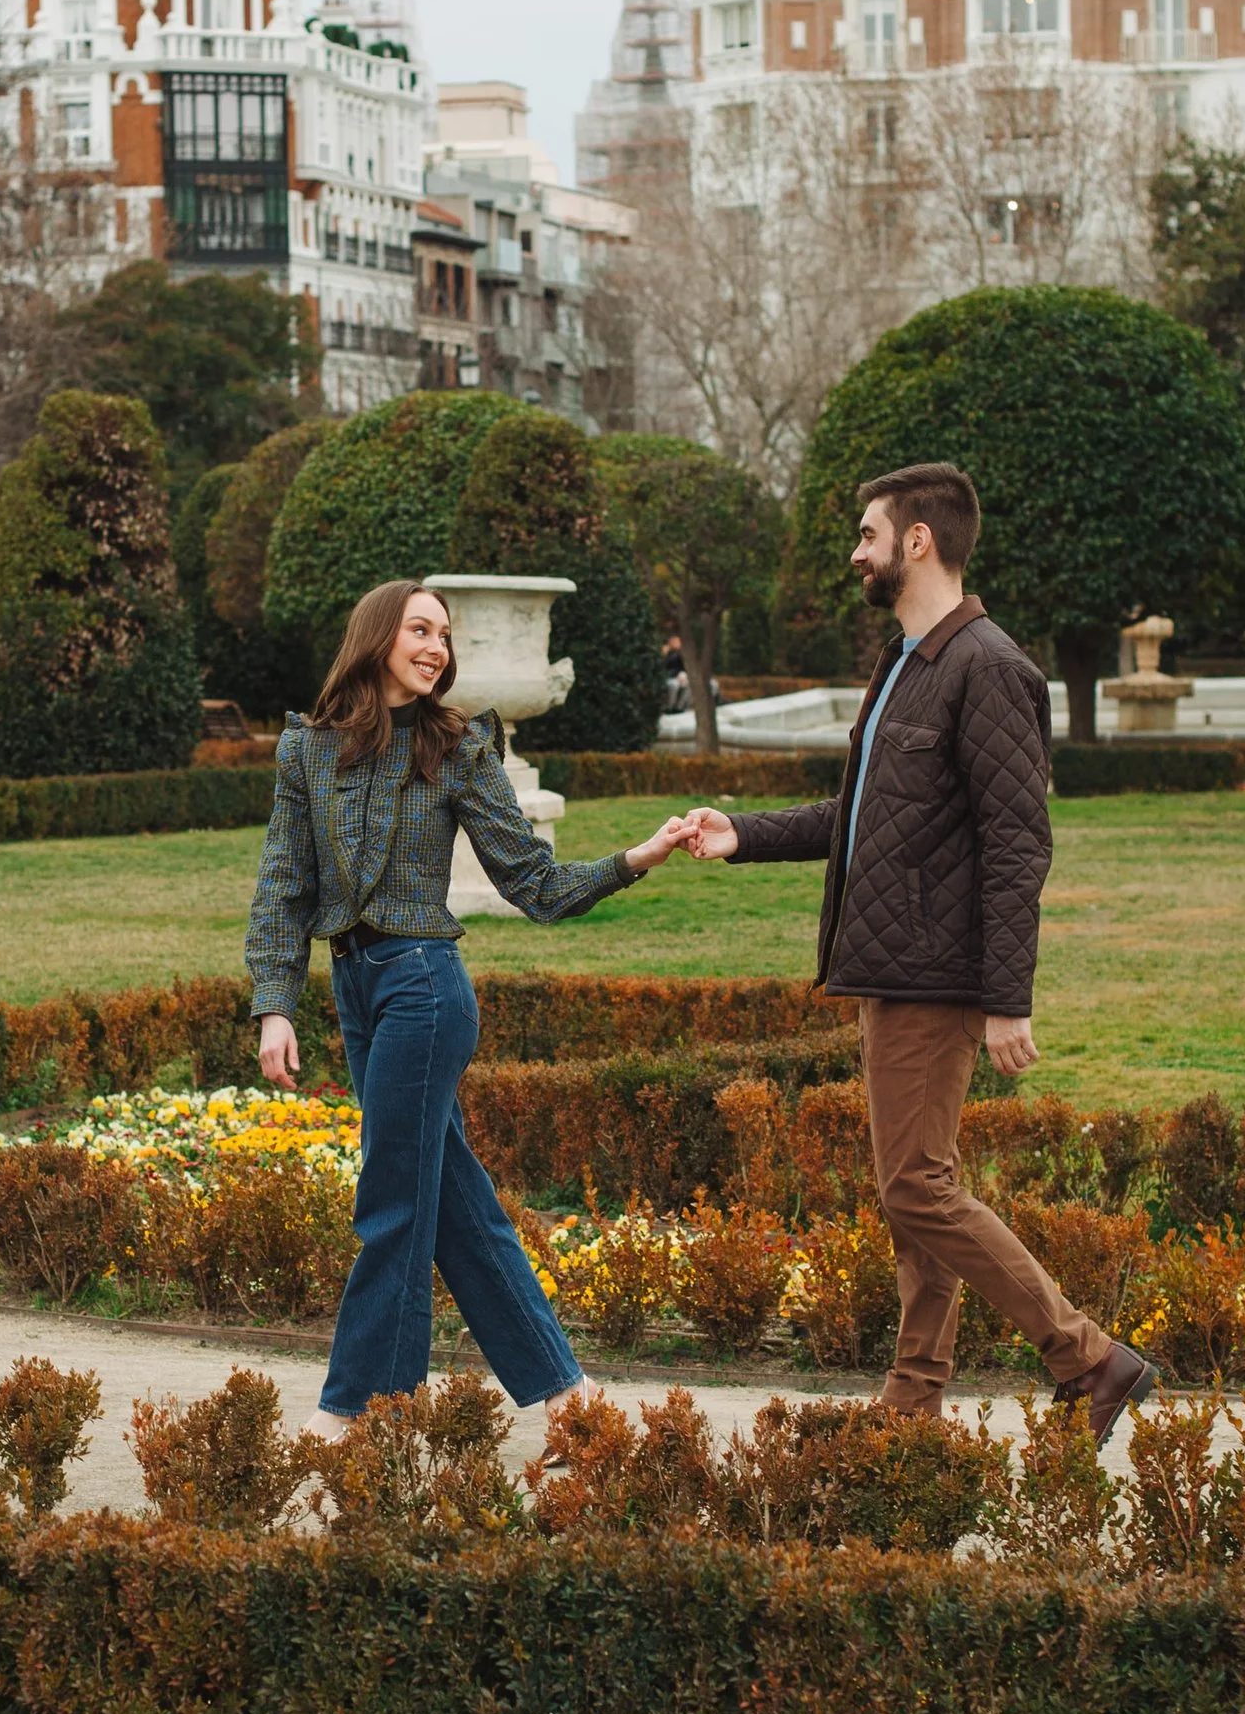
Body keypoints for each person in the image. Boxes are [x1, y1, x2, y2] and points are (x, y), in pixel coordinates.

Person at [681, 460, 1155, 1442]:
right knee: (918, 1186)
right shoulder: (907, 663)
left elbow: (1019, 841)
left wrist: (1005, 997)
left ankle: (1087, 1358)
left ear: (918, 541)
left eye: (866, 533)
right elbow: (861, 817)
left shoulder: (989, 668)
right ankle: (913, 1397)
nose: (855, 551)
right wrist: (744, 835)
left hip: (934, 976)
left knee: (915, 1188)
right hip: (891, 970)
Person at [248, 577, 697, 1440]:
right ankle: (574, 1404)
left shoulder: (459, 747)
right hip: (355, 991)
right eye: (420, 629)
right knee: (456, 1208)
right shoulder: (306, 750)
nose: (436, 648)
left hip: (424, 987)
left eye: (444, 636)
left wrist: (635, 859)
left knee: (391, 1203)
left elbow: (533, 883)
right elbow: (282, 885)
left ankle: (360, 1410)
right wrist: (276, 1003)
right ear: (376, 635)